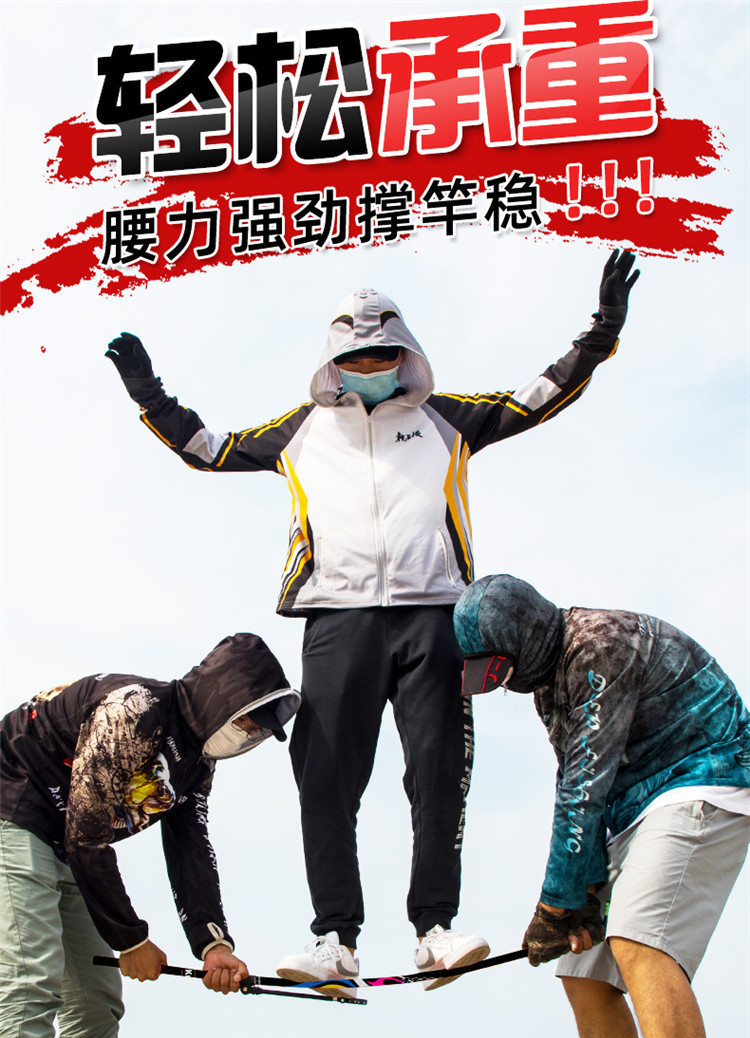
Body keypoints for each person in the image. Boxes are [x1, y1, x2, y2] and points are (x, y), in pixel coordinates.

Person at [105, 251, 638, 993]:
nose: (371, 366)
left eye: (385, 355)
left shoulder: (445, 418)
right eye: (355, 358)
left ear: (406, 355)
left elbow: (536, 398)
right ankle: (334, 938)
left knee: (440, 772)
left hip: (436, 616)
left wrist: (600, 331)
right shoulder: (300, 431)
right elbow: (208, 450)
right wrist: (148, 392)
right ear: (333, 363)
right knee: (325, 777)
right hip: (336, 618)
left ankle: (435, 930)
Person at [454, 573, 750, 1038]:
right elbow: (579, 781)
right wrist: (580, 898)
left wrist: (555, 906)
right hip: (636, 806)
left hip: (706, 777)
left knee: (640, 943)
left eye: (500, 669)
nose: (499, 684)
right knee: (583, 971)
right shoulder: (547, 683)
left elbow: (583, 789)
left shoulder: (600, 645)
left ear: (528, 637)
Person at [0, 633, 300, 1038]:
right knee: (31, 985)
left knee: (96, 1003)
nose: (251, 735)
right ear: (220, 698)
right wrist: (132, 939)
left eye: (261, 728)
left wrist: (214, 944)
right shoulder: (133, 710)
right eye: (248, 719)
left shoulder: (197, 762)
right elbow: (89, 836)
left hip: (68, 841)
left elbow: (191, 847)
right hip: (14, 813)